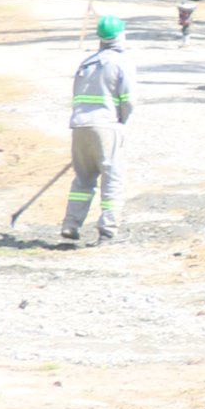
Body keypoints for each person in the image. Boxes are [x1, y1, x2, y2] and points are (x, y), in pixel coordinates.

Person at [60, 15, 134, 247]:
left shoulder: (87, 63)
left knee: (83, 178)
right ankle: (108, 230)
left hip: (80, 126)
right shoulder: (121, 62)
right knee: (112, 178)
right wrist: (121, 120)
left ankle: (71, 224)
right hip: (106, 126)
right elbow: (129, 100)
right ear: (120, 35)